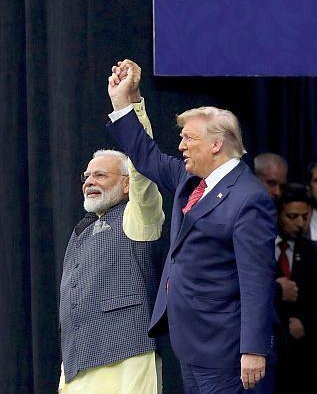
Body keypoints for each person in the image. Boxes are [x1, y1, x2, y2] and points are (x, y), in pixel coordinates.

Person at [106, 60, 277, 393]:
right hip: (192, 344)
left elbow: (257, 279)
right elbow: (147, 156)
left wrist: (253, 350)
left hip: (227, 352)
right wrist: (122, 102)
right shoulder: (192, 179)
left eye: (188, 138)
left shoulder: (248, 198)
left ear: (216, 144)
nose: (181, 146)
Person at [59, 90, 165, 393]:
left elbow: (144, 167)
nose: (90, 181)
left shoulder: (138, 218)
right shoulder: (80, 230)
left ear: (126, 183)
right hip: (79, 367)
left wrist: (128, 107)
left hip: (128, 360)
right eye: (87, 176)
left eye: (101, 175)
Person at [272, 184, 317, 394]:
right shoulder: (257, 250)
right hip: (269, 353)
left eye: (305, 216)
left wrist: (308, 324)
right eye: (292, 216)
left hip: (309, 361)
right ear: (278, 215)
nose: (300, 223)